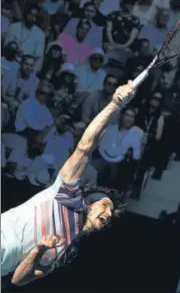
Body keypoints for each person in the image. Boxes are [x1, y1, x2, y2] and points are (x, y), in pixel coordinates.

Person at [1, 81, 135, 286]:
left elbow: (18, 279)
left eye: (109, 216)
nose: (108, 215)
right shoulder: (66, 196)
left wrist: (39, 251)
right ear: (89, 202)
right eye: (105, 206)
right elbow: (85, 147)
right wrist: (115, 104)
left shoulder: (68, 250)